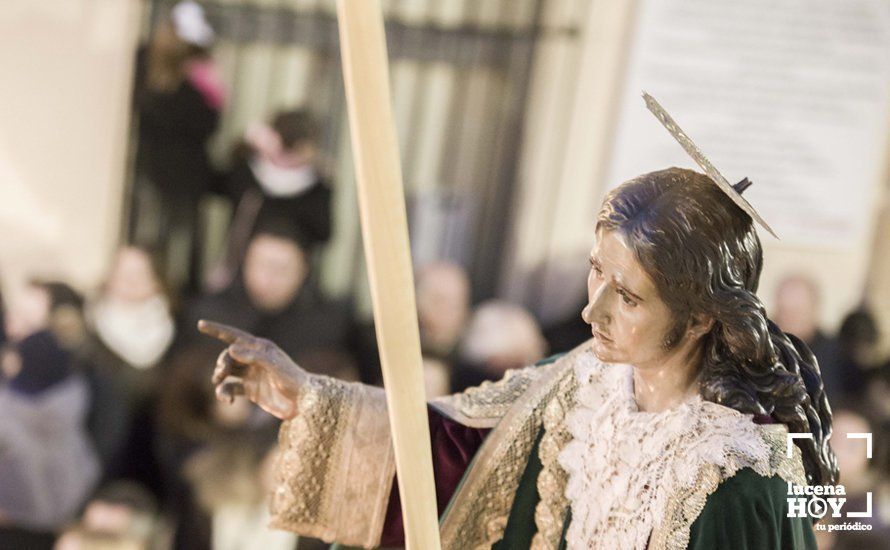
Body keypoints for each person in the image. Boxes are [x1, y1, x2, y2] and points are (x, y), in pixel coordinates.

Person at [199, 98, 837, 548]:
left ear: (700, 317)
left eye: (630, 298)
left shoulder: (734, 476)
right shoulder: (580, 385)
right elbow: (452, 450)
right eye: (596, 273)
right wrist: (307, 396)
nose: (593, 312)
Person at [130, 0, 224, 292]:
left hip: (175, 174)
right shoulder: (175, 75)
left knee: (170, 243)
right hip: (168, 172)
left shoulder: (184, 74)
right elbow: (208, 124)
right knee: (162, 241)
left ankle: (169, 293)